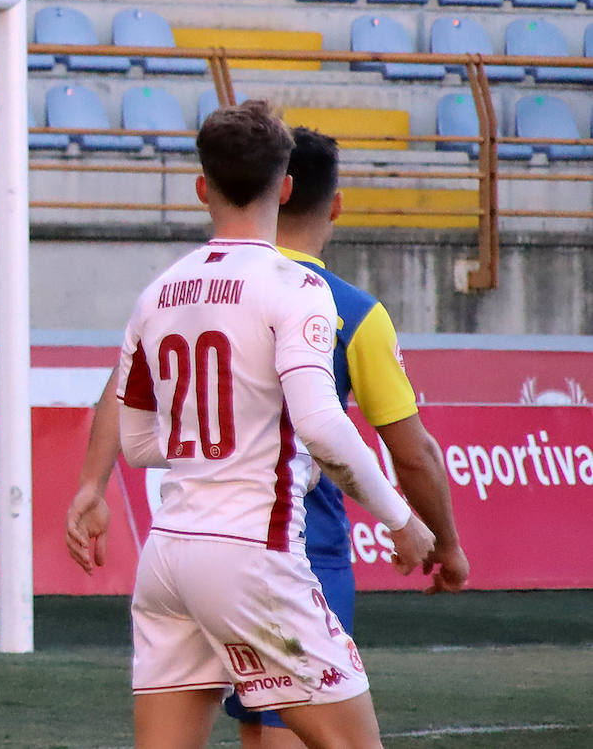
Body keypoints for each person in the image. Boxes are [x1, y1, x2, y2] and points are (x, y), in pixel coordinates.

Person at [65, 101, 435, 748]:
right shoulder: (294, 288)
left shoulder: (161, 292)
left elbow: (138, 439)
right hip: (251, 557)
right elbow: (322, 425)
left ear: (202, 188)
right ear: (285, 186)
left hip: (169, 556)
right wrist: (400, 521)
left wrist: (211, 449)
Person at [220, 127, 469, 748]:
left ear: (272, 191)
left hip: (205, 539)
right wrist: (446, 542)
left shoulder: (206, 288)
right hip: (299, 547)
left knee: (260, 728)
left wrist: (93, 484)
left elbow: (123, 393)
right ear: (334, 204)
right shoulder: (349, 311)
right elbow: (413, 454)